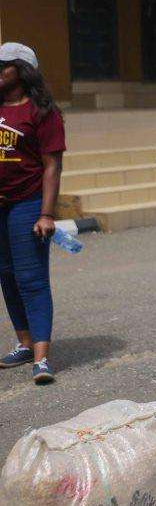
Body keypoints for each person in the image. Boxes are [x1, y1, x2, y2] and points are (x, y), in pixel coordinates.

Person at [0, 43, 65, 385]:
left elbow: (52, 165)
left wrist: (47, 214)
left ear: (22, 70)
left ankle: (41, 358)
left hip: (27, 204)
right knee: (7, 276)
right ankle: (24, 344)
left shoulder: (42, 112)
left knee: (31, 279)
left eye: (4, 65)